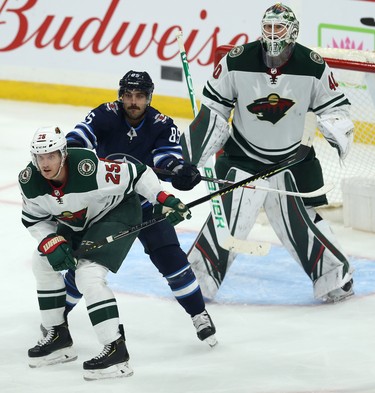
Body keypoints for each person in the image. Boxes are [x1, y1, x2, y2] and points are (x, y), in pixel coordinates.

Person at [183, 3, 355, 303]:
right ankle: (198, 278)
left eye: (279, 28)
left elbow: (334, 106)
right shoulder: (236, 60)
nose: (273, 34)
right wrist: (190, 157)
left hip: (291, 159)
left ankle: (334, 276)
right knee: (233, 216)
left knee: (300, 219)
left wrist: (335, 126)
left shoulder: (312, 64)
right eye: (269, 27)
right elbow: (214, 110)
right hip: (242, 156)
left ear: (293, 31)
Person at [19, 126, 192, 380]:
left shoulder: (87, 168)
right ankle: (58, 336)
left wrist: (162, 197)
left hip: (116, 213)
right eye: (40, 157)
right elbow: (34, 219)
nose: (45, 163)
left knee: (87, 274)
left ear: (63, 154)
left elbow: (137, 173)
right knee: (42, 260)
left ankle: (116, 351)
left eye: (51, 156)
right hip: (77, 221)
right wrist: (49, 241)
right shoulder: (30, 180)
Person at [64, 70, 217, 346]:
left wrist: (180, 170)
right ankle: (58, 318)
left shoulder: (161, 124)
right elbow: (79, 138)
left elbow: (167, 159)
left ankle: (199, 314)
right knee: (85, 263)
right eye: (128, 95)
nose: (133, 101)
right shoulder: (105, 114)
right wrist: (71, 151)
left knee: (172, 260)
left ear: (149, 98)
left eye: (139, 96)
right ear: (120, 95)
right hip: (107, 207)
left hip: (147, 203)